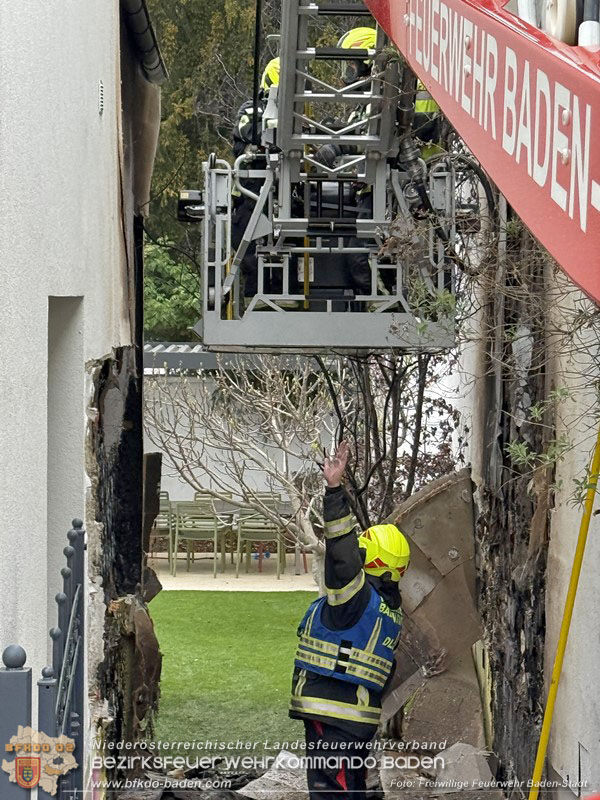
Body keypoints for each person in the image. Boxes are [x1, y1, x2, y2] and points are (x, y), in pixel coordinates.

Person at [289, 441, 410, 799]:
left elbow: (341, 546)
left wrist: (333, 489)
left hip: (333, 716)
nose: (354, 554)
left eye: (362, 551)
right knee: (350, 788)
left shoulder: (354, 597)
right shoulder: (388, 608)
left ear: (370, 561)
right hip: (355, 719)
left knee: (332, 794)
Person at [231, 58, 280, 301]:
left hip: (284, 192)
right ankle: (255, 296)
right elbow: (248, 131)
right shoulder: (252, 110)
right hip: (251, 189)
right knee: (248, 243)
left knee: (285, 243)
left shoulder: (300, 117)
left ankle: (283, 293)